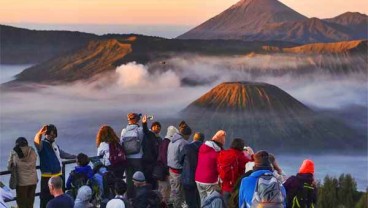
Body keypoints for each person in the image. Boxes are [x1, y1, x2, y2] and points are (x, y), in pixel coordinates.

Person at [34, 124, 76, 208]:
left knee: (59, 199)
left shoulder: (55, 145)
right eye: (50, 134)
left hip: (58, 176)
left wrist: (74, 157)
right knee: (45, 200)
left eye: (54, 135)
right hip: (47, 177)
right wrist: (40, 132)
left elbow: (62, 154)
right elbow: (36, 141)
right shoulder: (42, 144)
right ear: (46, 134)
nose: (52, 136)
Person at [195, 130, 226, 206]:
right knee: (212, 201)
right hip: (209, 181)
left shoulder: (202, 147)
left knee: (203, 200)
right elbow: (220, 167)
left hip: (198, 179)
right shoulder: (217, 153)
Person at [7, 137, 38, 208]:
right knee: (30, 204)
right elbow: (35, 159)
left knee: (21, 205)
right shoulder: (32, 150)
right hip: (33, 181)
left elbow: (9, 167)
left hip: (22, 184)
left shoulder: (14, 152)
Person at [217, 138, 250, 206]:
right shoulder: (240, 156)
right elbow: (250, 164)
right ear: (241, 146)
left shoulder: (223, 153)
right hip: (235, 187)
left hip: (224, 185)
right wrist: (251, 154)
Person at [167, 121, 192, 208]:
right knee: (179, 193)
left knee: (173, 190)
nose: (189, 137)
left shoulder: (172, 141)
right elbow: (185, 158)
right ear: (186, 134)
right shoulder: (183, 143)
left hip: (171, 170)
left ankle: (170, 204)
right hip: (178, 171)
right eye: (189, 135)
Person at [120, 113, 145, 199]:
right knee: (139, 179)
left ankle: (129, 198)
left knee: (129, 179)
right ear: (137, 120)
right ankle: (139, 197)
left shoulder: (124, 131)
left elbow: (121, 143)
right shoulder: (140, 130)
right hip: (138, 158)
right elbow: (141, 141)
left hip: (127, 158)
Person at [180, 132, 204, 208]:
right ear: (202, 140)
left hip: (188, 177)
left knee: (189, 201)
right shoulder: (205, 148)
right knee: (199, 200)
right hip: (201, 179)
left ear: (194, 138)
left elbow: (180, 159)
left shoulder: (187, 147)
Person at [157, 125, 178, 205]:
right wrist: (167, 171)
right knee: (165, 188)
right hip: (164, 170)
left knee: (163, 188)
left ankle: (162, 203)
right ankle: (163, 204)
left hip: (161, 168)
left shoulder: (164, 141)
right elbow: (164, 157)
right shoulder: (167, 142)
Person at [142, 115, 162, 189]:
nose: (157, 129)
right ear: (152, 127)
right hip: (148, 161)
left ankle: (153, 194)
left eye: (158, 128)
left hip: (154, 162)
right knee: (148, 180)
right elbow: (145, 130)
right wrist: (144, 123)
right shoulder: (149, 135)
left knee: (154, 180)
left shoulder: (159, 139)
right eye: (156, 127)